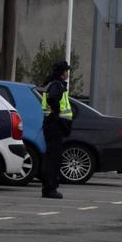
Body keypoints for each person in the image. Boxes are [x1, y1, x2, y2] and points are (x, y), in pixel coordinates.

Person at [39, 59, 74, 199]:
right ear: (62, 73)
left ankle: (48, 187)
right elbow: (53, 100)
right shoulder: (56, 85)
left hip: (52, 125)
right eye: (66, 71)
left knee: (51, 158)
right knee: (53, 159)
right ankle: (50, 188)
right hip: (54, 126)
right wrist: (58, 115)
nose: (68, 74)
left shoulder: (54, 84)